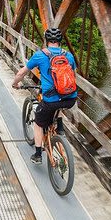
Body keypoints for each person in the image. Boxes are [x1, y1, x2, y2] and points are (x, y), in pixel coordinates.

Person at [11, 27, 77, 164]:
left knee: (38, 123)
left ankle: (37, 155)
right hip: (70, 98)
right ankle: (59, 127)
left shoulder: (40, 55)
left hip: (50, 99)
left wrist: (15, 84)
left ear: (46, 40)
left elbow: (21, 73)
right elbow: (72, 76)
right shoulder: (69, 56)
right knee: (59, 103)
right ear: (60, 41)